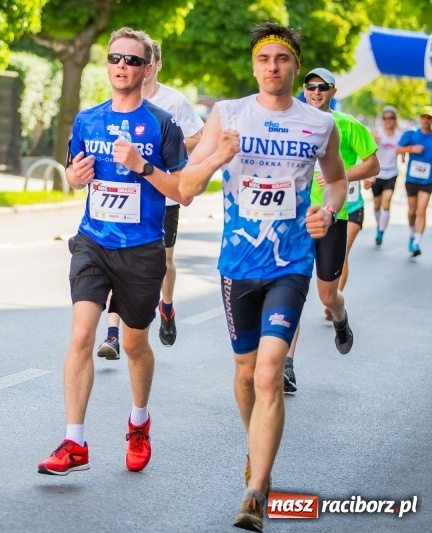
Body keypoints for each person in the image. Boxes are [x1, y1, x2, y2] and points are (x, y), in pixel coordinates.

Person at [178, 23, 346, 532]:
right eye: (264, 59)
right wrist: (217, 157)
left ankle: (255, 492)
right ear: (254, 67)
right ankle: (257, 450)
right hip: (238, 265)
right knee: (247, 373)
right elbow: (186, 186)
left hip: (290, 262)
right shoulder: (228, 114)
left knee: (271, 373)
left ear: (296, 66)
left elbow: (336, 180)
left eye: (282, 58)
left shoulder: (319, 124)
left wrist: (327, 212)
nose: (273, 66)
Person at [37, 27, 189, 476]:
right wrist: (75, 177)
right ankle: (75, 442)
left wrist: (142, 166)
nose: (122, 66)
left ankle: (139, 422)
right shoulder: (87, 120)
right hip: (93, 242)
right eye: (115, 58)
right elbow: (72, 174)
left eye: (132, 60)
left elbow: (183, 191)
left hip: (141, 250)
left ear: (147, 68)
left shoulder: (163, 124)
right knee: (82, 335)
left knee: (135, 345)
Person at [96, 40, 204, 359]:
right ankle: (112, 334)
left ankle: (166, 306)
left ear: (154, 66)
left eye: (143, 61)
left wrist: (166, 145)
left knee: (165, 262)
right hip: (123, 196)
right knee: (115, 259)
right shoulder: (119, 100)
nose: (133, 66)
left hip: (162, 197)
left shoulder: (174, 102)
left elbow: (198, 137)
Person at [282, 68, 379, 392]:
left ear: (333, 91)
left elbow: (373, 164)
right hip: (295, 217)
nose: (315, 91)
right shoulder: (292, 122)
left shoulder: (347, 125)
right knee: (291, 289)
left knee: (327, 295)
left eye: (322, 87)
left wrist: (340, 175)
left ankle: (340, 316)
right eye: (310, 86)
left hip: (333, 216)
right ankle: (287, 366)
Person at [398, 106, 432, 256]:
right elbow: (398, 149)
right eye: (424, 116)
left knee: (421, 210)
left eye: (429, 117)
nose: (426, 120)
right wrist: (411, 149)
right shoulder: (411, 133)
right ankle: (412, 234)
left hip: (428, 179)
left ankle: (417, 242)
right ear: (420, 118)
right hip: (412, 178)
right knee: (412, 211)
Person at [370, 106, 404, 245]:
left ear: (395, 120)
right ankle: (379, 225)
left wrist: (403, 153)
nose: (388, 121)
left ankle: (381, 231)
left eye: (391, 118)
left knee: (386, 201)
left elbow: (402, 153)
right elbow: (368, 153)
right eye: (385, 118)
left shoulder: (399, 136)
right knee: (377, 204)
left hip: (391, 172)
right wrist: (374, 143)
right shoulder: (377, 133)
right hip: (377, 173)